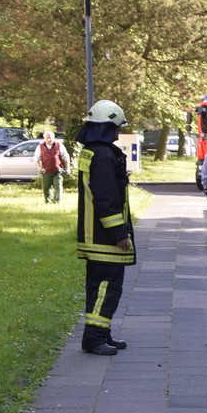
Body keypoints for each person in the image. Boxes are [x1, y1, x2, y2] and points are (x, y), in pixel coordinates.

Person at [75, 100, 136, 356]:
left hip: (93, 234)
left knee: (98, 286)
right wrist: (119, 234)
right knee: (106, 288)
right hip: (104, 238)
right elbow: (106, 197)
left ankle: (102, 332)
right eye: (116, 127)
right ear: (108, 126)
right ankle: (94, 338)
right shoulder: (103, 156)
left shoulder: (92, 151)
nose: (118, 133)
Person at [34, 130, 70, 203]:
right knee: (46, 188)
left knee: (58, 186)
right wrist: (39, 168)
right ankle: (48, 202)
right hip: (46, 171)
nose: (49, 139)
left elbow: (65, 157)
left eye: (50, 138)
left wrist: (67, 168)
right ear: (44, 138)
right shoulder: (40, 147)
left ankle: (57, 201)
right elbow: (36, 159)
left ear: (54, 138)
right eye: (47, 138)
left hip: (57, 170)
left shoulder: (59, 145)